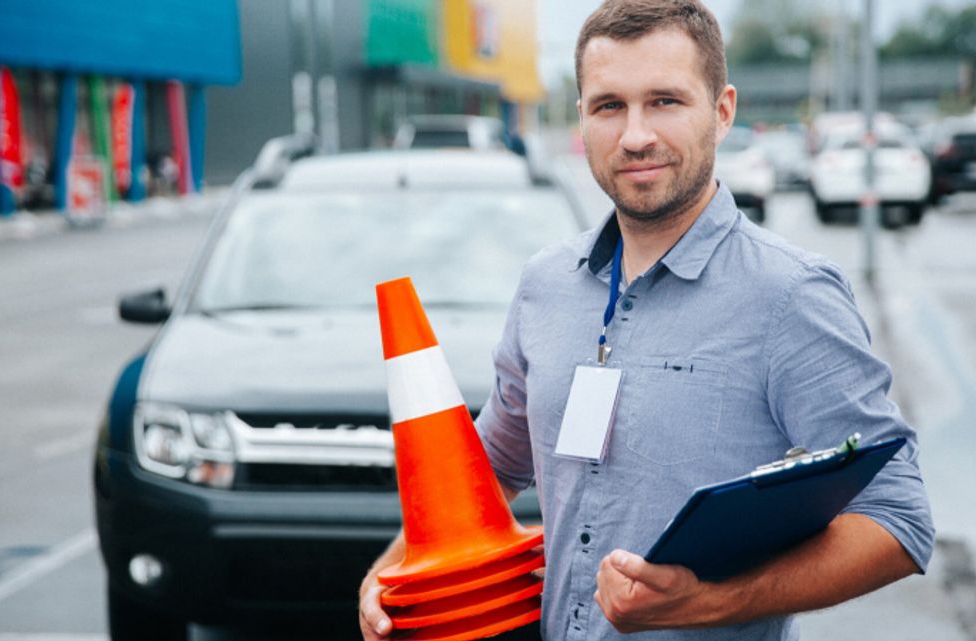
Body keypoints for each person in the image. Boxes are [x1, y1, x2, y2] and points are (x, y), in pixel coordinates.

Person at [359, 1, 934, 640]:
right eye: (609, 106)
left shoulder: (790, 296)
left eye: (665, 101)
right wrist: (392, 569)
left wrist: (707, 601)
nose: (635, 135)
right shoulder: (546, 285)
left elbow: (898, 520)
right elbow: (488, 468)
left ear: (722, 110)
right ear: (580, 117)